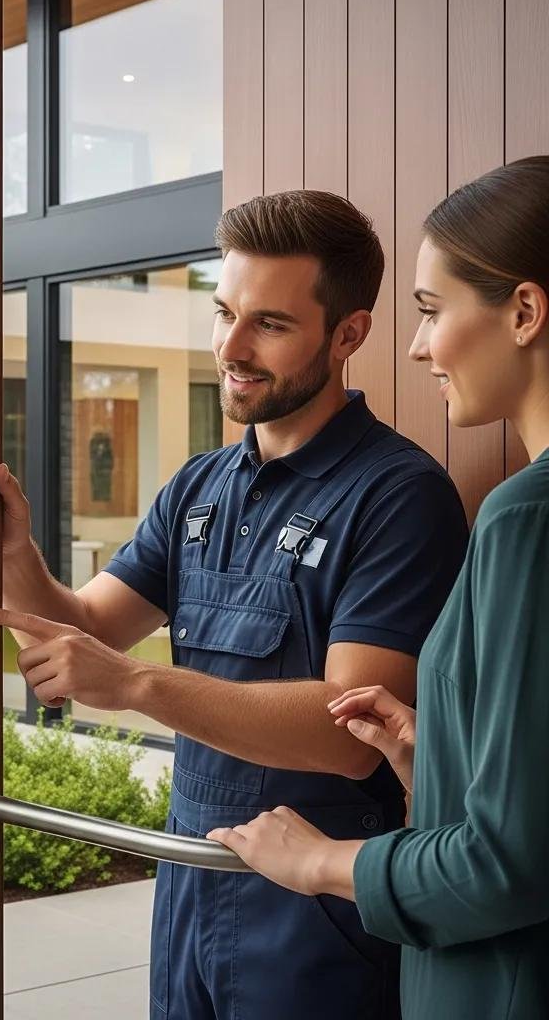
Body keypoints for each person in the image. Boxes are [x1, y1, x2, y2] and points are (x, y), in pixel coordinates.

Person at [0, 189, 470, 1019]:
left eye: (269, 325)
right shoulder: (199, 486)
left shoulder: (399, 496)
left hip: (317, 918)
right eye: (223, 313)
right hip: (188, 882)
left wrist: (136, 687)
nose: (231, 348)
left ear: (348, 334)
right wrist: (13, 552)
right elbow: (86, 630)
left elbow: (351, 733)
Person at [205, 157, 549, 1020]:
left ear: (524, 312)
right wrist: (432, 759)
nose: (418, 345)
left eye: (432, 311)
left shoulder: (520, 520)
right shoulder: (202, 483)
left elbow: (506, 868)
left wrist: (320, 862)